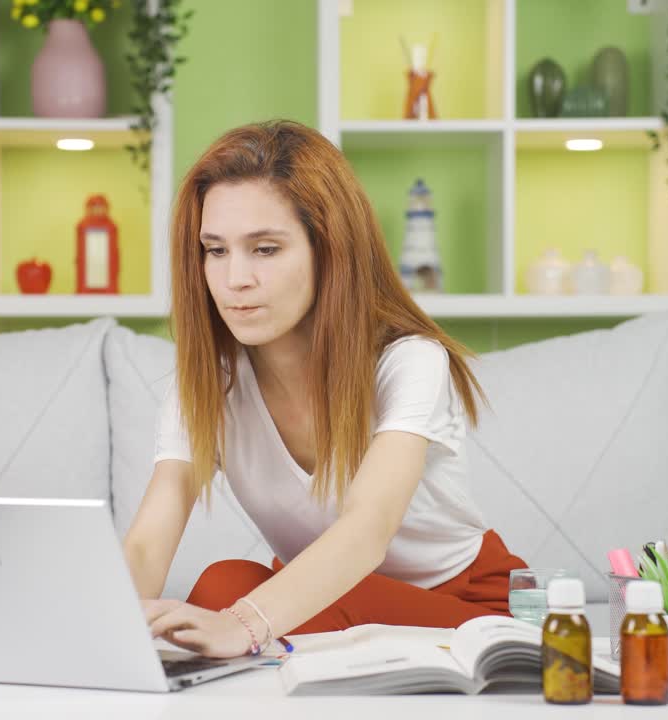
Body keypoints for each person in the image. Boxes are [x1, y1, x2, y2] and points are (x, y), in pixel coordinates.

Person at [123, 120, 528, 659]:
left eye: (265, 249)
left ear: (329, 250)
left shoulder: (410, 361)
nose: (234, 278)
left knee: (240, 603)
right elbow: (149, 538)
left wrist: (243, 625)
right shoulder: (209, 382)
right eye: (215, 251)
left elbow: (367, 530)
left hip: (461, 604)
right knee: (224, 582)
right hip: (321, 595)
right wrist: (103, 630)